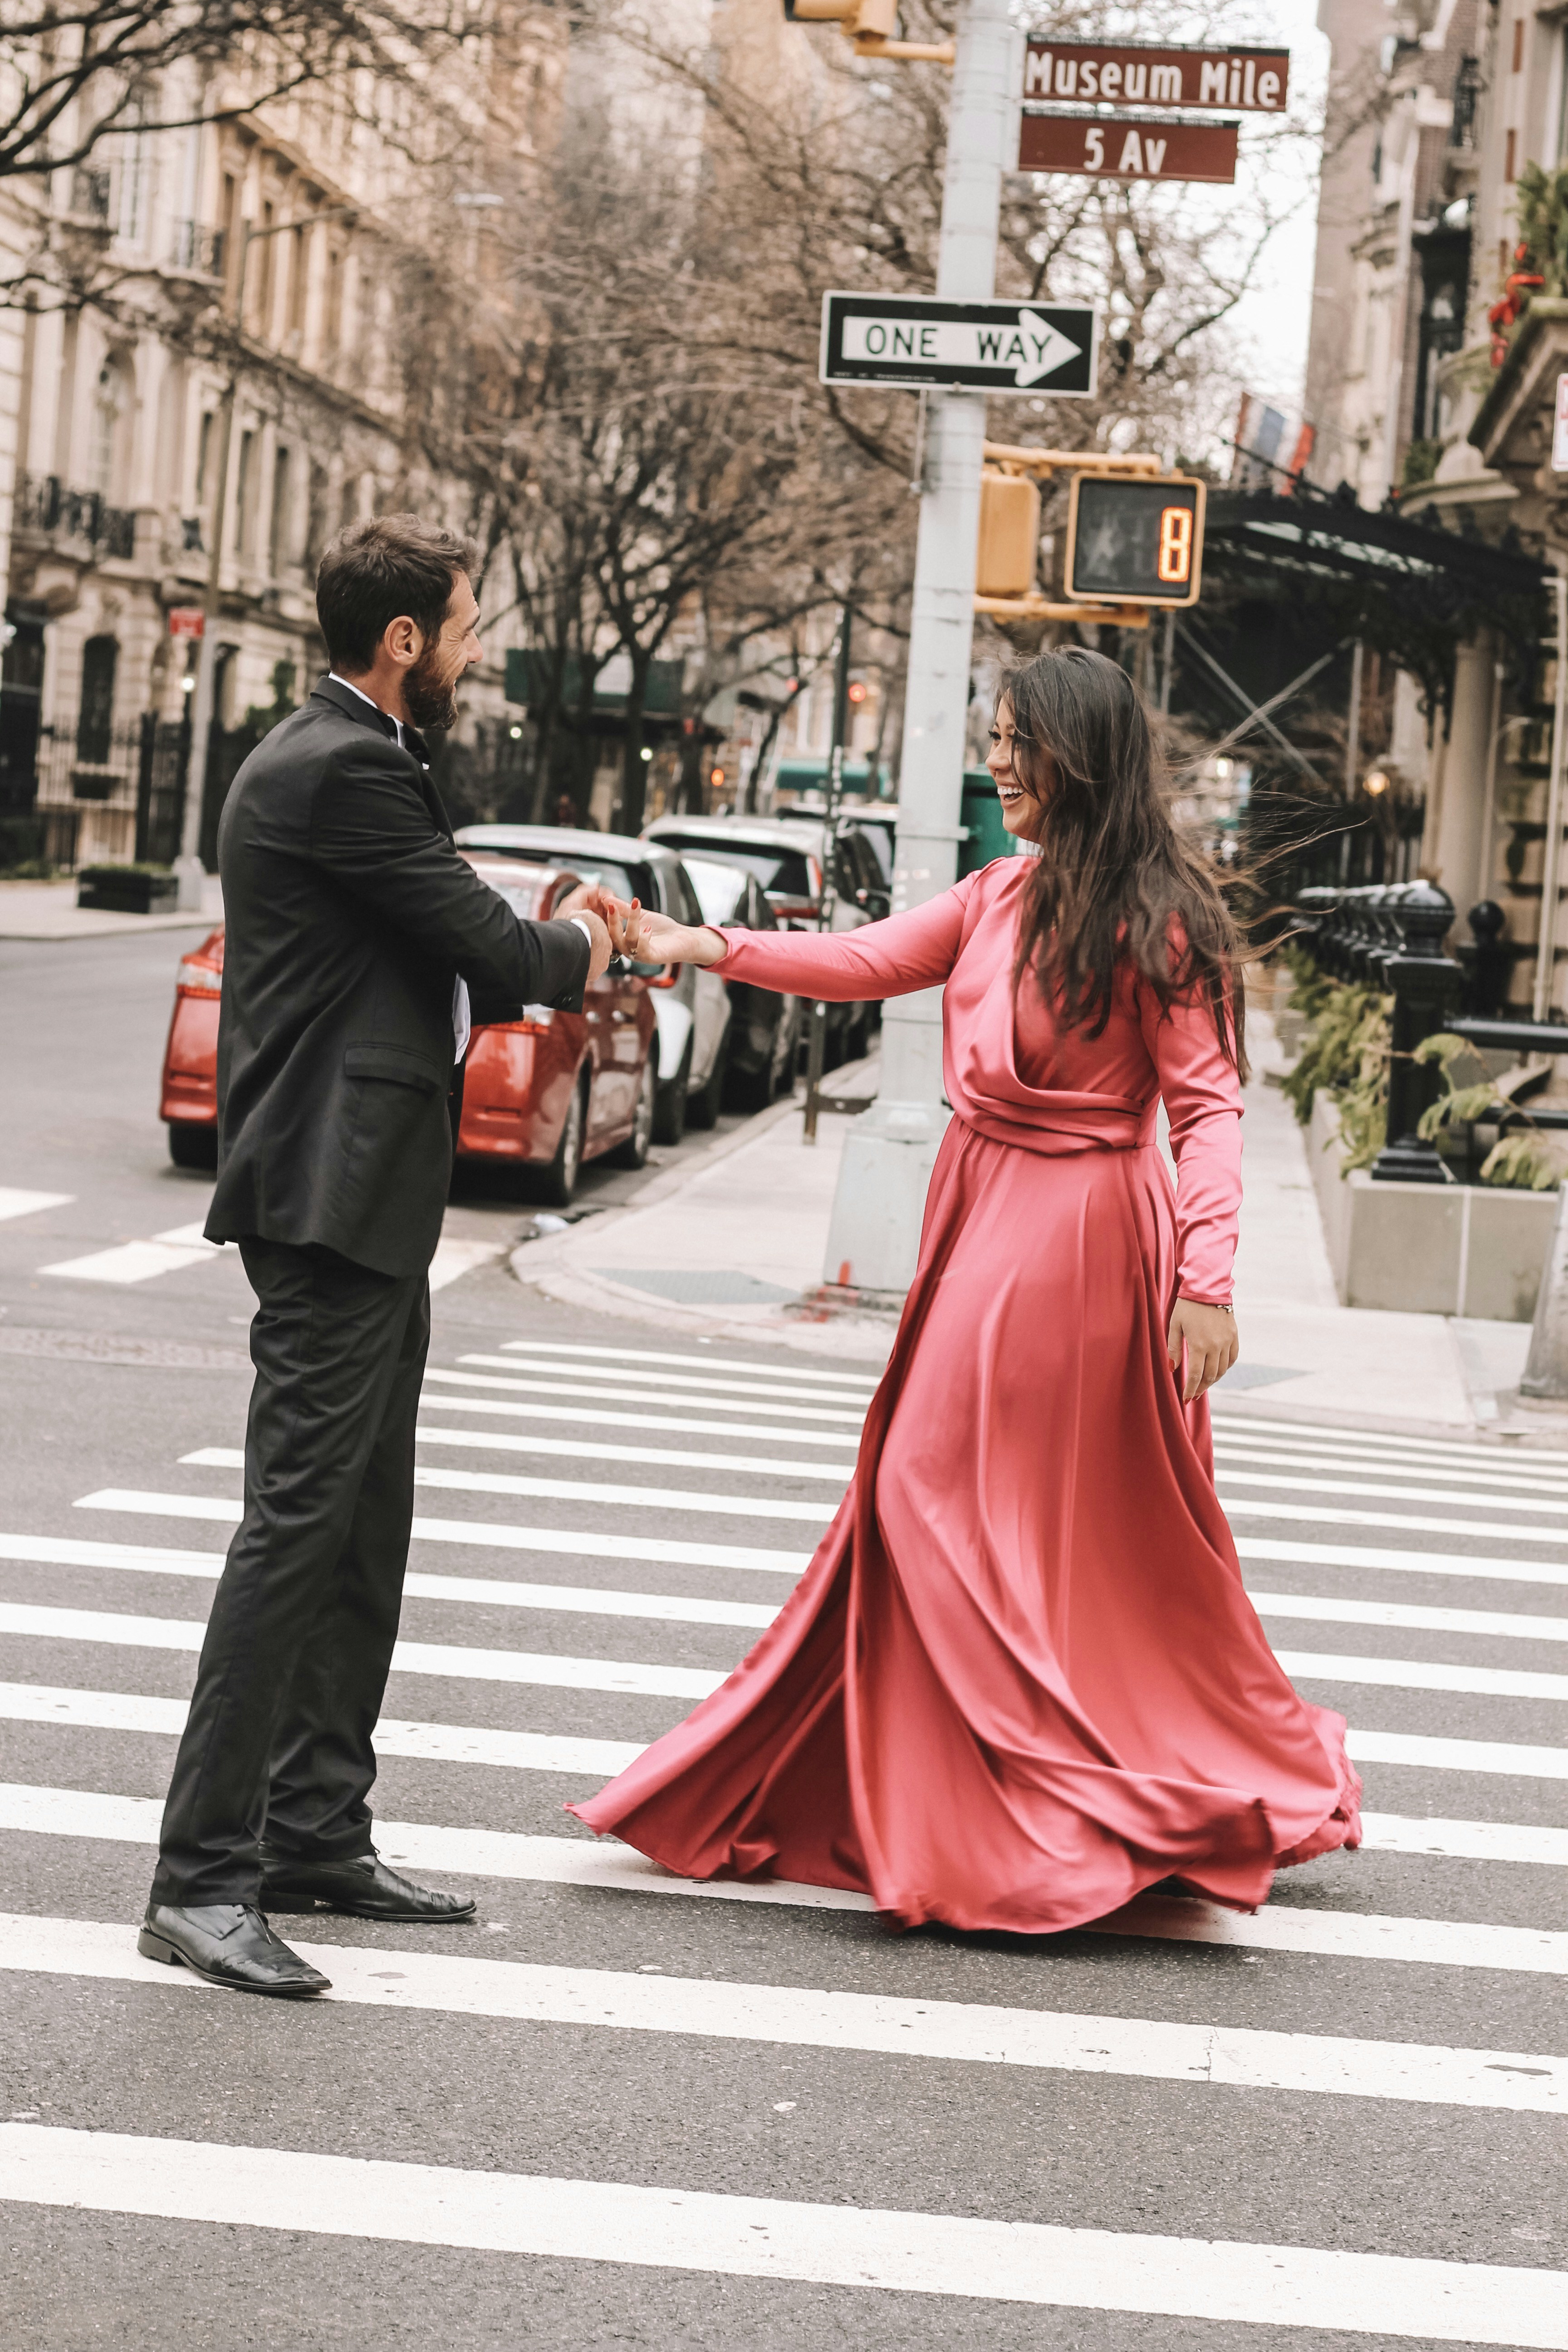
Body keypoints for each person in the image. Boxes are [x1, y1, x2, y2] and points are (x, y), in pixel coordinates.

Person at [571, 647, 1361, 1934]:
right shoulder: (998, 893)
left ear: (1076, 756)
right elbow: (865, 958)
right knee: (1001, 1523)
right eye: (994, 739)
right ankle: (992, 1793)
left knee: (939, 1491)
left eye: (1014, 742)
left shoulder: (1163, 918)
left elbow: (1210, 1108)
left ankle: (1024, 1803)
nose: (996, 763)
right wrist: (698, 942)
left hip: (1080, 1233)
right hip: (981, 1205)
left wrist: (1206, 1279)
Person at [140, 514, 622, 1997]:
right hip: (328, 1196)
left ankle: (314, 1833)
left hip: (367, 1197)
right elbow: (502, 953)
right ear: (404, 639)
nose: (475, 651)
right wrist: (587, 938)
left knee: (361, 1528)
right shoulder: (345, 767)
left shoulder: (352, 756)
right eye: (466, 628)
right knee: (296, 1532)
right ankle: (200, 1879)